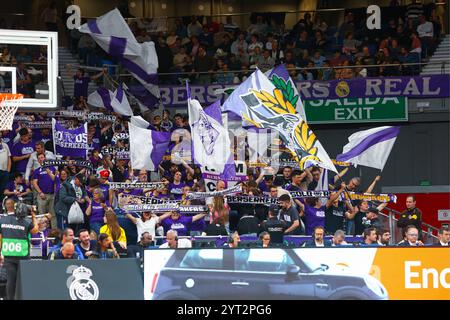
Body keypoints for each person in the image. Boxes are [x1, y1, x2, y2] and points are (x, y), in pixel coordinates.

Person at [0, 203, 38, 300]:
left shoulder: (2, 220)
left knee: (10, 280)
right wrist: (33, 215)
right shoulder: (26, 221)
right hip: (23, 255)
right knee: (25, 279)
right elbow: (35, 230)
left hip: (9, 254)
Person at [31, 153, 56, 221]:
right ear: (38, 161)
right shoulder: (37, 171)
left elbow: (56, 181)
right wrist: (40, 192)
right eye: (39, 158)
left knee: (53, 214)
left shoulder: (52, 168)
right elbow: (34, 183)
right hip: (42, 195)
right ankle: (42, 231)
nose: (41, 159)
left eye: (42, 157)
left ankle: (54, 230)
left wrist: (55, 193)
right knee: (41, 215)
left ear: (45, 159)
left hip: (52, 194)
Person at [0, 134, 11, 204]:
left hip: (5, 171)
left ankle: (3, 206)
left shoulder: (5, 145)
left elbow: (9, 158)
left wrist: (8, 170)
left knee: (4, 190)